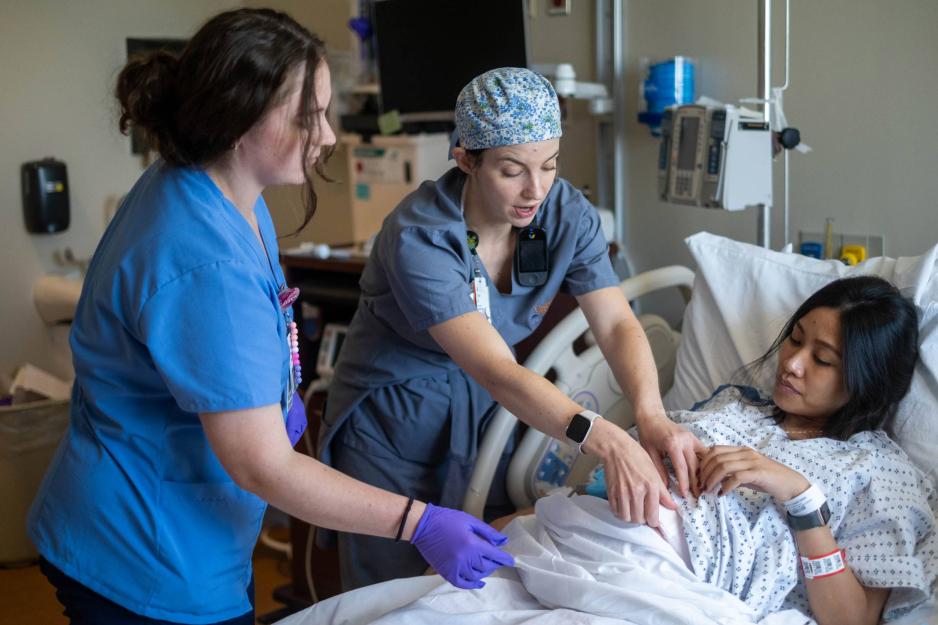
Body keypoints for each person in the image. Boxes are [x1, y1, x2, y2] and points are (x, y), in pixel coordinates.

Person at [26, 9, 513, 625]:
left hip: (177, 526)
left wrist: (273, 395)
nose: (330, 136)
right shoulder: (203, 259)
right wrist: (419, 521)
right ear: (236, 118)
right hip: (142, 552)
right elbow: (261, 463)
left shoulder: (216, 188)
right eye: (309, 117)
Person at [318, 66, 704, 591]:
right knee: (390, 592)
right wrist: (608, 440)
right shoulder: (421, 238)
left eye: (549, 165)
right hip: (394, 426)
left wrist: (651, 415)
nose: (535, 189)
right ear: (466, 160)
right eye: (512, 170)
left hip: (487, 419)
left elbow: (614, 321)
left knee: (481, 579)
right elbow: (497, 368)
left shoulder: (564, 211)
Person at [523, 275, 934, 624]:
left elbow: (853, 618)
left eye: (822, 360)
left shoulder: (879, 471)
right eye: (794, 339)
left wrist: (800, 497)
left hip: (665, 581)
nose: (792, 363)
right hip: (582, 529)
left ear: (868, 381)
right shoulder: (733, 403)